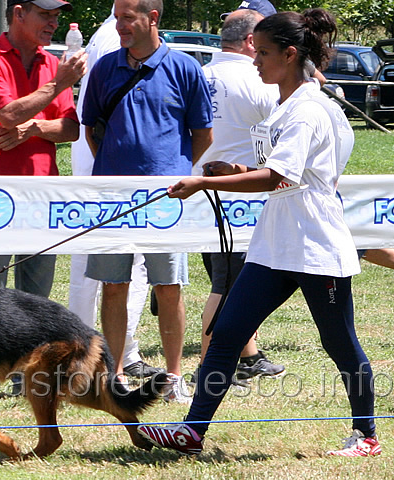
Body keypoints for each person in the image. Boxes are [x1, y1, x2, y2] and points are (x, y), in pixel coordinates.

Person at [139, 9, 381, 457]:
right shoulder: (290, 105)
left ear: (290, 55)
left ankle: (366, 435)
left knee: (340, 342)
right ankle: (192, 431)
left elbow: (278, 178)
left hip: (313, 243)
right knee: (228, 330)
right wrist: (236, 171)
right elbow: (284, 174)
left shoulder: (307, 109)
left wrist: (204, 182)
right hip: (275, 242)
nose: (255, 60)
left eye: (264, 53)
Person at [82, 0, 213, 402]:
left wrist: (171, 172)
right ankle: (115, 373)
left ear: (152, 18)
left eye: (126, 18)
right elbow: (92, 130)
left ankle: (174, 376)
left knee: (168, 286)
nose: (119, 26)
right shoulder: (105, 67)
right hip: (114, 197)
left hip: (166, 199)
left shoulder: (185, 68)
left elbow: (202, 134)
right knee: (114, 284)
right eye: (116, 18)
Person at [68, 5, 163, 379]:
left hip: (103, 163)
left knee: (95, 264)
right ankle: (119, 351)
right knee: (125, 267)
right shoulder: (115, 39)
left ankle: (92, 347)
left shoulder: (105, 33)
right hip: (111, 165)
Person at [0, 0, 86, 299]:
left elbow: (71, 129)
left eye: (56, 17)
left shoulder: (52, 64)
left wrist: (35, 128)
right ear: (18, 13)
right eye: (45, 15)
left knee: (37, 300)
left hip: (43, 195)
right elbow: (7, 115)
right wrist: (58, 84)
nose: (53, 23)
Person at [191, 7, 285, 386]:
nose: (263, 55)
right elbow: (281, 134)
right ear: (250, 41)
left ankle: (246, 356)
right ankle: (207, 366)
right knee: (228, 285)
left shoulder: (199, 74)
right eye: (261, 46)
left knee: (231, 281)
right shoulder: (256, 81)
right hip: (240, 200)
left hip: (199, 193)